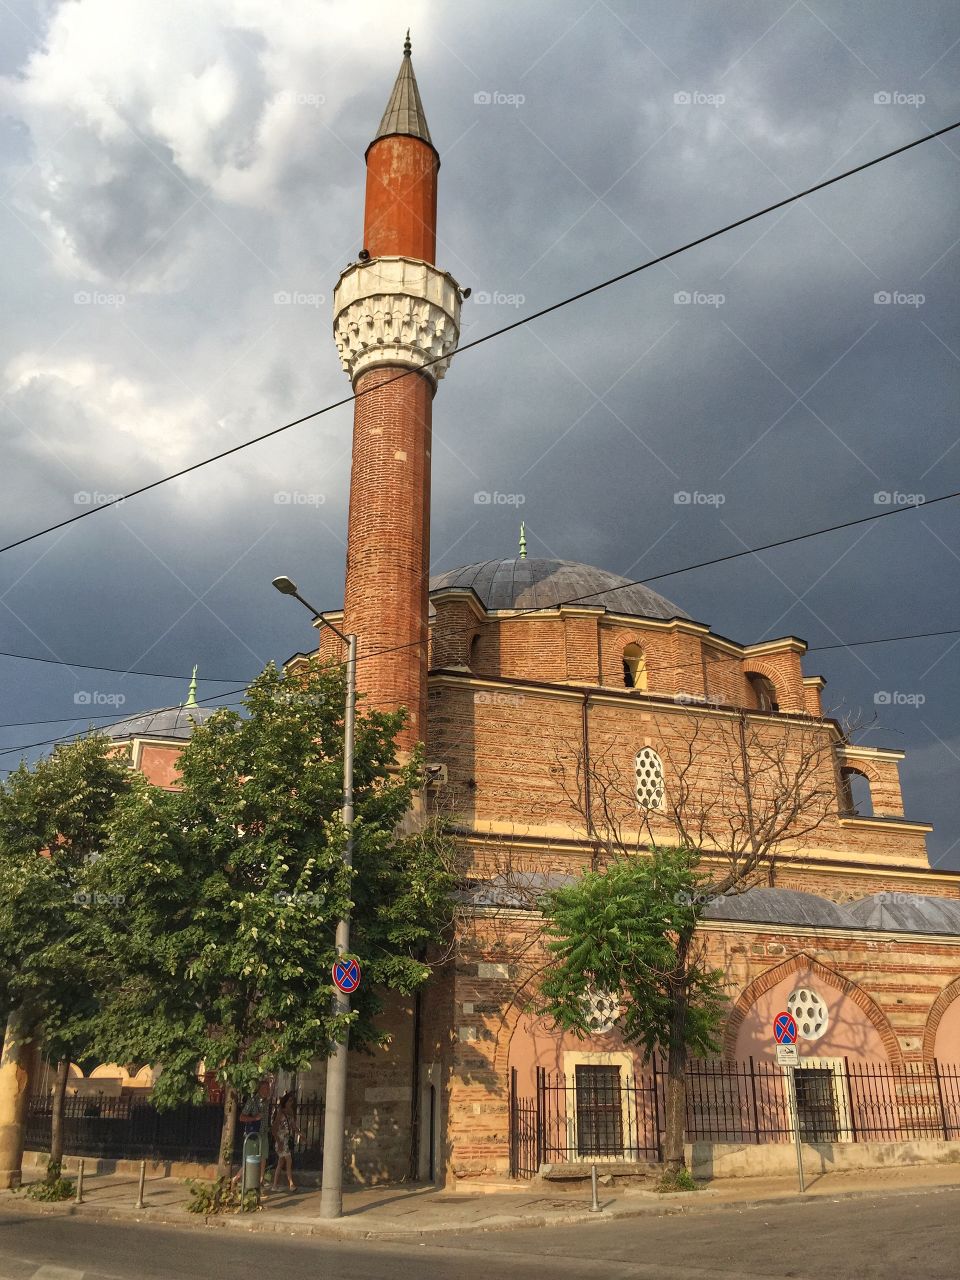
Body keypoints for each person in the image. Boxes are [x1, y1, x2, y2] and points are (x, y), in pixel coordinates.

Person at [232, 1079, 272, 1191]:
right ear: (259, 1089)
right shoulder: (252, 1101)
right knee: (250, 1160)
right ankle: (236, 1178)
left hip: (263, 1134)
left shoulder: (266, 1102)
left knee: (263, 1157)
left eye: (268, 1088)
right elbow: (241, 1117)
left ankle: (260, 1181)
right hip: (253, 1135)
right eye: (265, 1088)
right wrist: (254, 1118)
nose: (267, 1091)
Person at [270, 1092, 299, 1192]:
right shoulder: (280, 1113)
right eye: (289, 1101)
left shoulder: (290, 1113)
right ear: (285, 1102)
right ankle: (291, 1183)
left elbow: (293, 1126)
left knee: (281, 1163)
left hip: (286, 1139)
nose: (291, 1103)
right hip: (281, 1140)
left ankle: (274, 1185)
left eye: (292, 1101)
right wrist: (279, 1141)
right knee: (288, 1160)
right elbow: (274, 1129)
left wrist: (300, 1134)